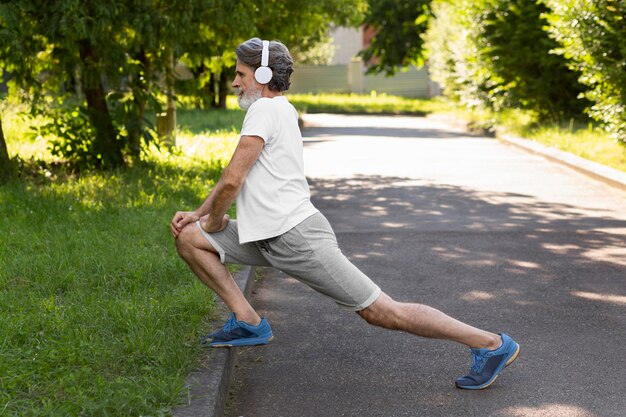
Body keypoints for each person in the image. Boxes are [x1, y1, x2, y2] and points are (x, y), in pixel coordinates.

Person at [170, 37, 520, 390]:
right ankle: (248, 321)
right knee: (189, 236)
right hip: (266, 235)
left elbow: (233, 180)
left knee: (382, 312)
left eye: (240, 74)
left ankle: (491, 344)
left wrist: (213, 222)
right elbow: (234, 173)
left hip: (297, 238)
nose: (234, 83)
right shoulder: (279, 109)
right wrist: (199, 215)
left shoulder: (264, 109)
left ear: (262, 74)